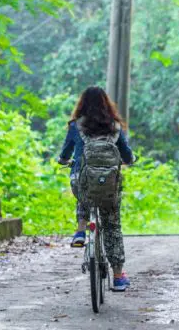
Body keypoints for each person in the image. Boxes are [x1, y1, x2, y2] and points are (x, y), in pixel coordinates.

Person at [58, 86, 135, 292]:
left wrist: (63, 160)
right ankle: (118, 277)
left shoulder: (76, 126)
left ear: (82, 104)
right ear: (106, 104)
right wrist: (131, 160)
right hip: (109, 184)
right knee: (112, 226)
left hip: (82, 180)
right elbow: (126, 155)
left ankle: (81, 231)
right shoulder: (115, 126)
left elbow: (65, 152)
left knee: (81, 189)